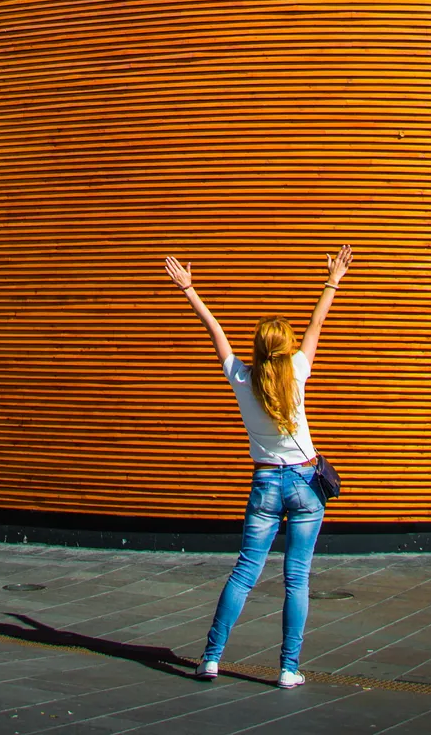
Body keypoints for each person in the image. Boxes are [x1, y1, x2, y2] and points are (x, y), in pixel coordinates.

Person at [163, 242, 353, 690]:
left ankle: (210, 658)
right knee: (297, 580)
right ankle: (288, 668)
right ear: (286, 351)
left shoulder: (242, 380)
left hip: (265, 483)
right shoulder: (300, 370)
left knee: (245, 572)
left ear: (258, 349)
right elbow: (317, 321)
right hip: (307, 483)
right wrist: (332, 280)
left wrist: (189, 290)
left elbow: (216, 334)